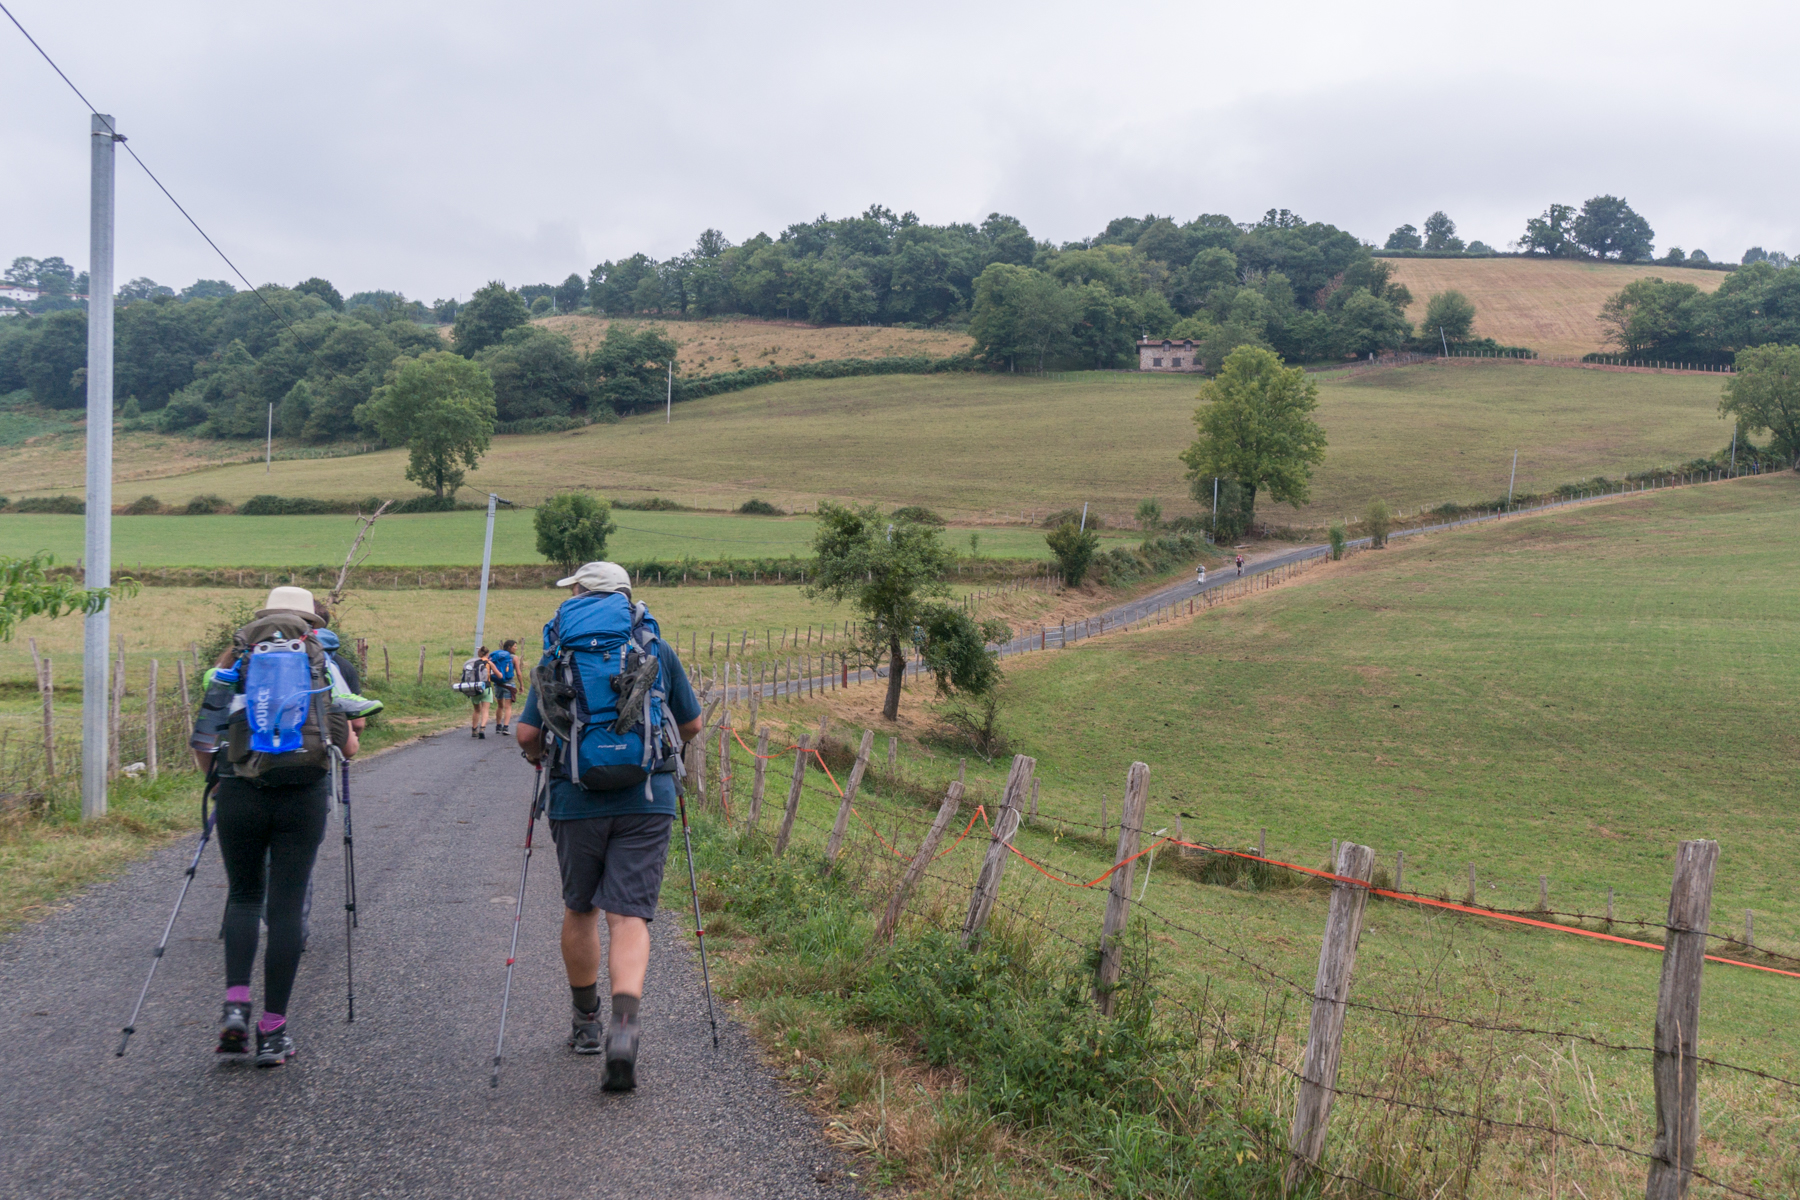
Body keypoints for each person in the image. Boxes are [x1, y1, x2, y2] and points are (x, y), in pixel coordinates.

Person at [515, 561, 701, 1092]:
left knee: (581, 908)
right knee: (629, 916)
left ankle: (585, 1024)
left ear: (581, 594)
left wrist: (538, 758)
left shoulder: (558, 651)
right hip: (648, 797)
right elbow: (691, 724)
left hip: (575, 798)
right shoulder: (654, 648)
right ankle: (625, 1025)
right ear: (624, 595)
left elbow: (528, 732)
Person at [190, 586, 360, 1068]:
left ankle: (236, 1007)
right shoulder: (318, 660)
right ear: (311, 622)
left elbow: (204, 735)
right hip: (302, 796)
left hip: (240, 791)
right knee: (286, 908)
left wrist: (218, 779)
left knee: (244, 897)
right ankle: (272, 1032)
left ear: (262, 615)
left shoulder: (236, 657)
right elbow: (346, 745)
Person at [463, 647, 495, 739]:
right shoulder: (489, 663)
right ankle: (482, 728)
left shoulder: (473, 663)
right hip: (486, 688)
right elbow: (499, 675)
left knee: (476, 710)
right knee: (485, 710)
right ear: (487, 654)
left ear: (479, 654)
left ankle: (474, 729)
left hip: (474, 688)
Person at [489, 639, 519, 735]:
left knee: (500, 706)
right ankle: (505, 727)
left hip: (498, 683)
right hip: (509, 684)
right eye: (515, 646)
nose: (516, 648)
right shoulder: (514, 658)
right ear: (509, 647)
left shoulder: (498, 656)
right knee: (508, 706)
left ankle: (498, 726)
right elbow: (518, 672)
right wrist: (521, 685)